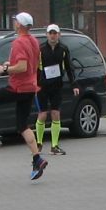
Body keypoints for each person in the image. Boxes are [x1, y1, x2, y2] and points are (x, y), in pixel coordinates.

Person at [0, 12, 48, 181]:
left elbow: (23, 67)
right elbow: (30, 63)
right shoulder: (34, 41)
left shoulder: (18, 42)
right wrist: (10, 64)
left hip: (18, 87)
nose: (14, 22)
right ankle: (37, 159)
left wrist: (4, 69)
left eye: (15, 21)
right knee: (22, 125)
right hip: (30, 87)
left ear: (20, 25)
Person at [34, 25, 77, 156]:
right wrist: (34, 84)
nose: (53, 36)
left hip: (57, 86)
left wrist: (74, 85)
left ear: (59, 35)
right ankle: (39, 143)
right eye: (50, 33)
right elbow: (34, 68)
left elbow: (69, 67)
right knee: (42, 114)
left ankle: (54, 145)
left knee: (55, 113)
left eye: (55, 33)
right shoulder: (40, 49)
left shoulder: (63, 49)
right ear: (46, 35)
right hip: (42, 86)